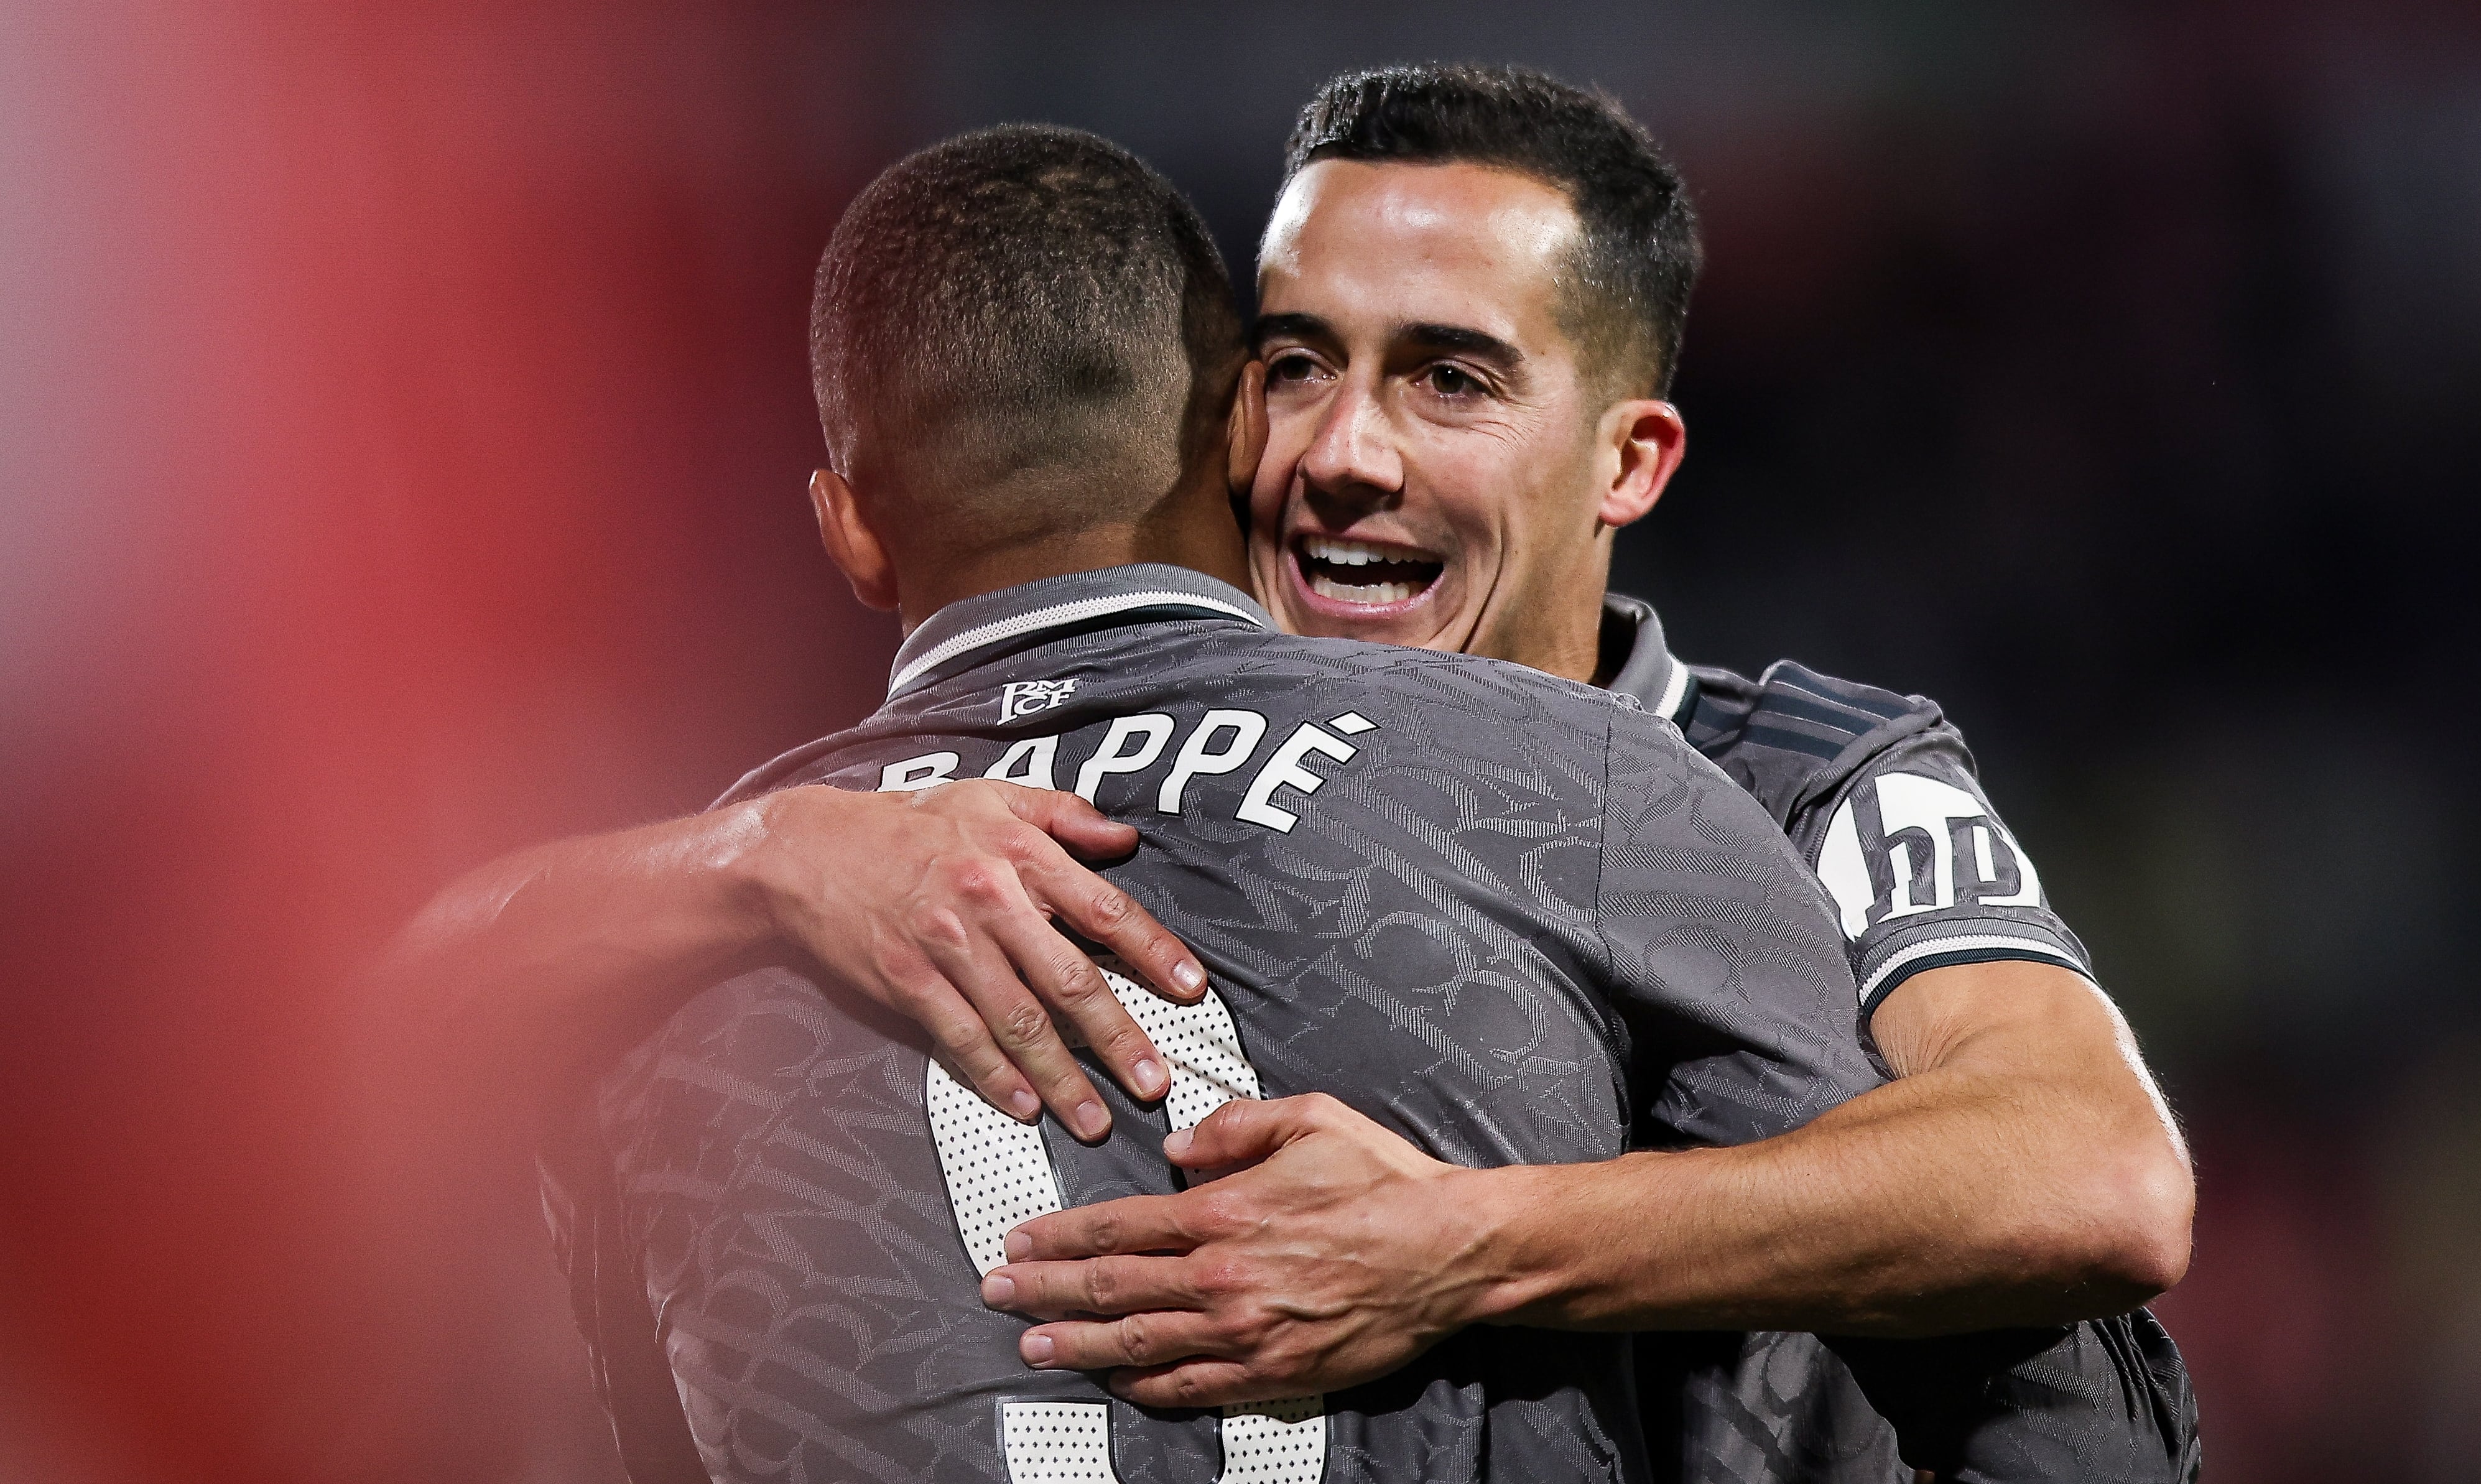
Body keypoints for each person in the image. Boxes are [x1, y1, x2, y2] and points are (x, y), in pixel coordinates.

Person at [389, 65, 2196, 1482]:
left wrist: (1469, 1238)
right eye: (1296, 364)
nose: (1337, 454)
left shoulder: (1782, 773)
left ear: (1627, 459)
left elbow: (2088, 1186)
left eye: (1449, 384)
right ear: (1212, 407)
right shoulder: (934, 824)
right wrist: (762, 854)